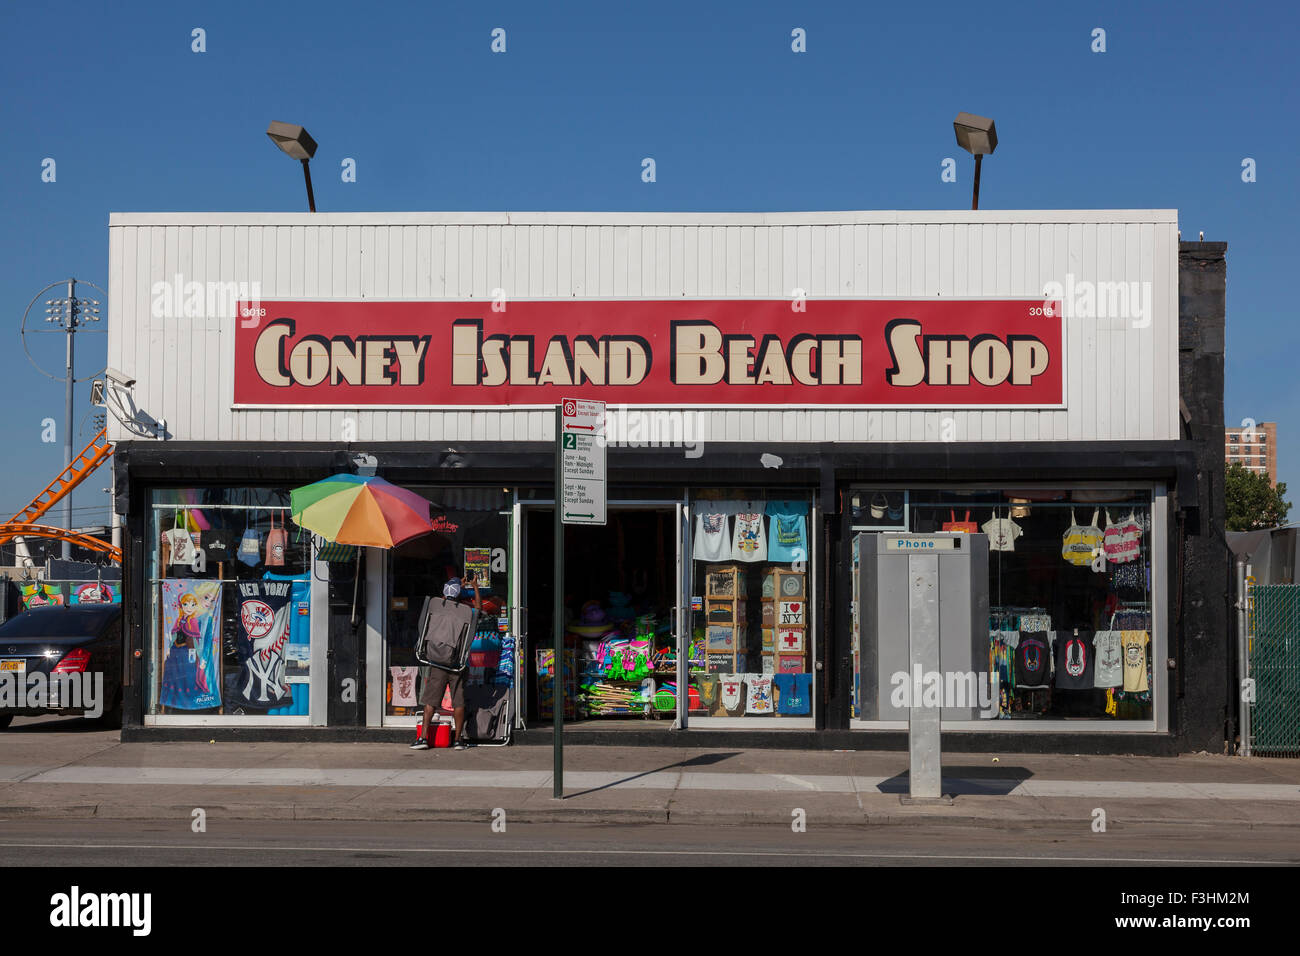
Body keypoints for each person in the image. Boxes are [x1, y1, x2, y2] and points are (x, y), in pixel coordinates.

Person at [410, 570, 482, 751]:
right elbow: (479, 610)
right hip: (456, 663)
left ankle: (422, 738)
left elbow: (429, 616)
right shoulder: (466, 612)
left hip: (436, 661)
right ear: (459, 594)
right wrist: (474, 588)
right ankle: (458, 740)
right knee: (458, 702)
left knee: (430, 701)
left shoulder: (435, 604)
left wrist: (457, 585)